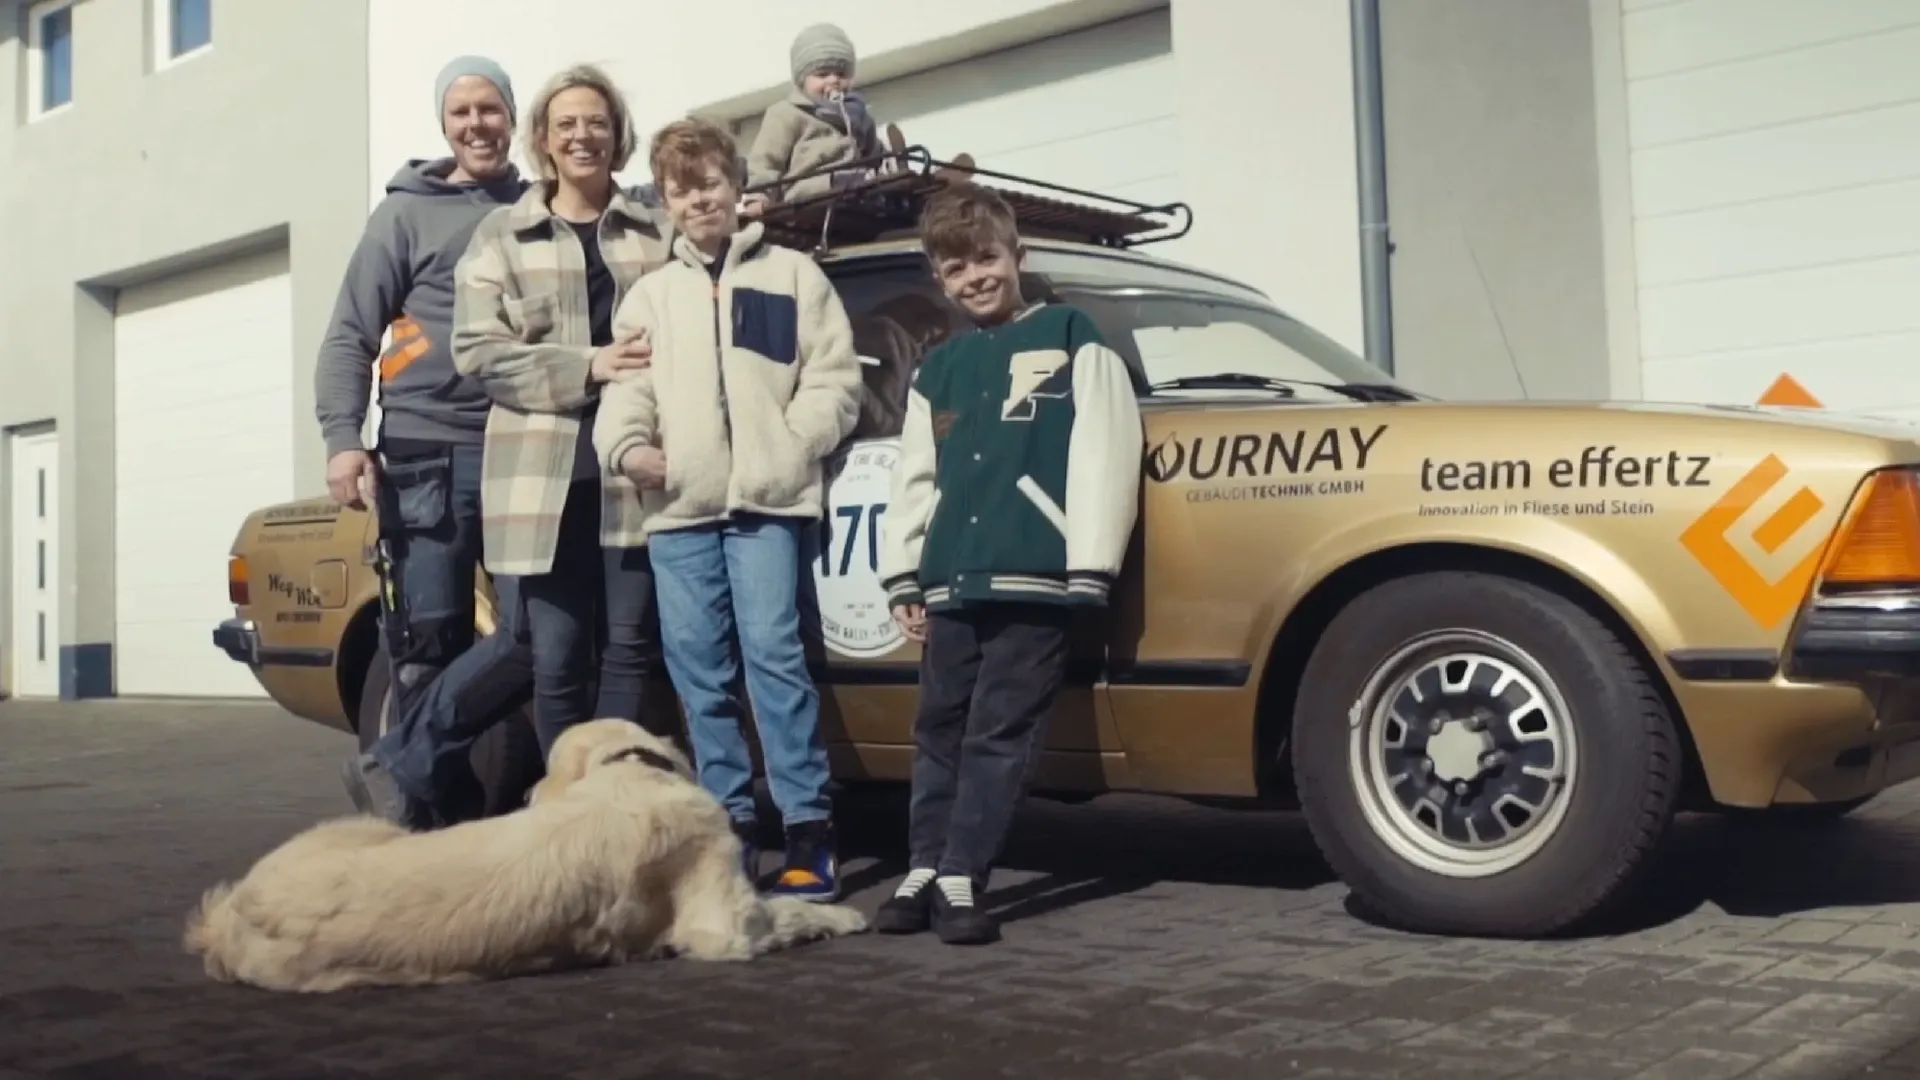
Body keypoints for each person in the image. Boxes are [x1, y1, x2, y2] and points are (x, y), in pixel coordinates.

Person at [594, 117, 863, 902]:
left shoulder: (793, 275)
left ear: (736, 187)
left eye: (709, 182)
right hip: (679, 513)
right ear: (667, 202)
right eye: (681, 188)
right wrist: (628, 450)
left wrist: (790, 442)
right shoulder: (650, 295)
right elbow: (626, 391)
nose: (697, 199)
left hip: (768, 508)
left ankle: (809, 832)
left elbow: (835, 378)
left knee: (776, 663)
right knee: (702, 678)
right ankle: (730, 834)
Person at [872, 184, 1144, 945]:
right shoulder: (940, 369)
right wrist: (906, 576)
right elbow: (914, 477)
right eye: (956, 268)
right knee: (937, 727)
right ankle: (923, 862)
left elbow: (1106, 449)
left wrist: (1089, 563)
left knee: (999, 731)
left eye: (987, 258)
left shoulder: (1069, 334)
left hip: (1036, 576)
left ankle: (964, 872)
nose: (975, 277)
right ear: (940, 279)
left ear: (1018, 256)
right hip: (953, 580)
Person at [318, 55, 529, 828]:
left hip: (523, 452)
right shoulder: (403, 217)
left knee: (534, 636)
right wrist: (345, 439)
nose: (478, 123)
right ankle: (430, 825)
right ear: (445, 125)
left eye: (491, 108)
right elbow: (349, 336)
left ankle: (401, 756)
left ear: (512, 115)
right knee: (427, 642)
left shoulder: (535, 208)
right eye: (462, 111)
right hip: (423, 455)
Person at [447, 63, 672, 759]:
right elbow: (478, 353)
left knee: (631, 647)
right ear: (542, 139)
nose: (583, 137)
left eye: (597, 123)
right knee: (557, 655)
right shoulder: (500, 237)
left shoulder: (655, 232)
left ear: (618, 137)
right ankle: (567, 817)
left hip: (632, 469)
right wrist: (587, 364)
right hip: (538, 479)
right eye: (567, 124)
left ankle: (611, 807)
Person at [743, 23, 888, 210]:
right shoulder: (787, 113)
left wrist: (881, 154)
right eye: (822, 74)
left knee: (874, 182)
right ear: (802, 80)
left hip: (856, 184)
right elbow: (766, 160)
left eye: (841, 74)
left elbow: (871, 152)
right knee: (854, 180)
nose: (834, 80)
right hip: (808, 189)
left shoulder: (856, 113)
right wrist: (758, 196)